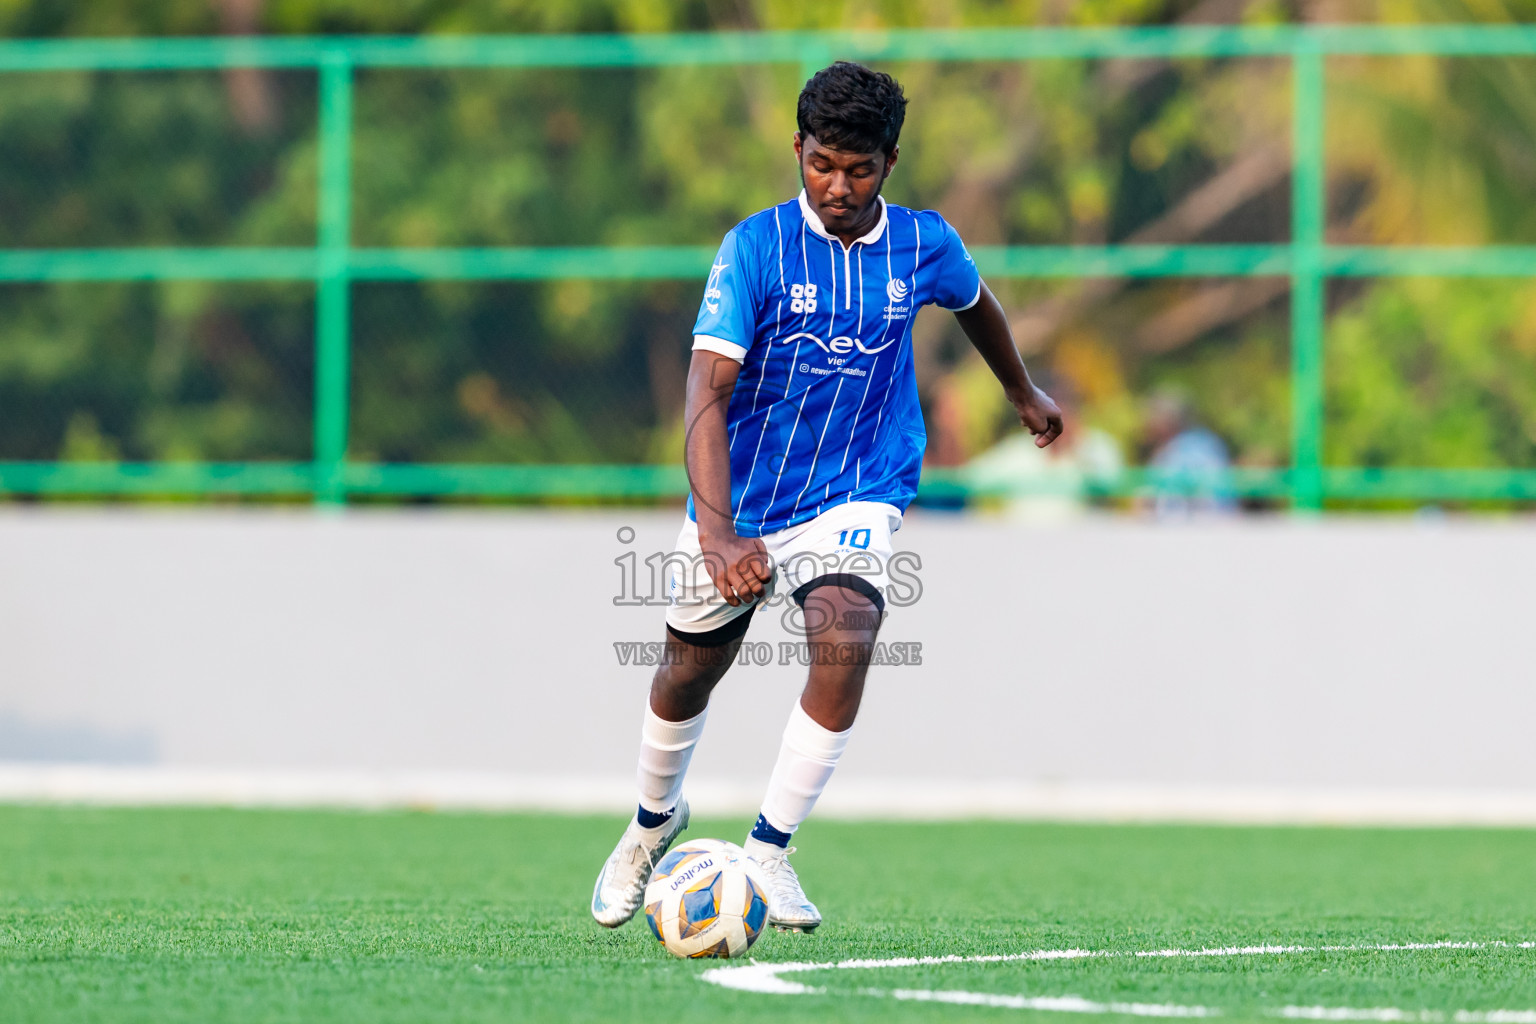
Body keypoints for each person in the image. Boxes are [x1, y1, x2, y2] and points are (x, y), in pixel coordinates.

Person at [590, 61, 1063, 934]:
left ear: (890, 160)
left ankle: (769, 849)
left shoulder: (923, 243)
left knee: (847, 630)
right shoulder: (756, 248)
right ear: (797, 150)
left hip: (860, 484)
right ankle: (652, 824)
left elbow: (977, 302)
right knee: (687, 672)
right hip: (744, 494)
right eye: (820, 165)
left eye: (858, 168)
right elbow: (706, 389)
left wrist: (1020, 391)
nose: (837, 186)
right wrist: (721, 539)